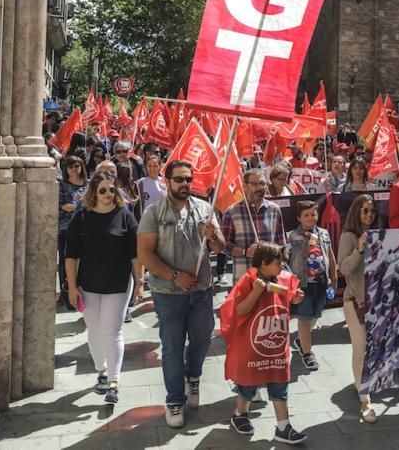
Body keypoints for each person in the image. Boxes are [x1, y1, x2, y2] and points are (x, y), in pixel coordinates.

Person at [137, 160, 226, 428]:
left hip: (201, 291)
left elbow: (220, 247)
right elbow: (144, 254)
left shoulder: (205, 209)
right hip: (168, 293)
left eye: (188, 179)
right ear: (167, 181)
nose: (185, 184)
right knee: (173, 348)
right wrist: (175, 276)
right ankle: (174, 399)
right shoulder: (153, 213)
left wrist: (213, 237)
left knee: (202, 338)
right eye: (179, 179)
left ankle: (193, 377)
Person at [64, 172, 142, 404]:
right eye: (103, 190)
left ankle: (113, 382)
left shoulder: (125, 216)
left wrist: (140, 282)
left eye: (112, 190)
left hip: (118, 283)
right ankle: (101, 370)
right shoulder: (82, 218)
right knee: (94, 329)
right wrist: (71, 287)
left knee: (113, 330)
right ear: (93, 193)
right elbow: (70, 255)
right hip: (88, 283)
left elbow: (135, 254)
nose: (108, 194)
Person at [223, 242, 308, 443]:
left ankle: (283, 426)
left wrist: (297, 297)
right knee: (247, 386)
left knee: (280, 383)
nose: (281, 265)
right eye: (278, 262)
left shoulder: (285, 279)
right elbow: (240, 310)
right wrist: (256, 292)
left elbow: (291, 295)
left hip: (276, 344)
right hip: (252, 347)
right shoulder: (248, 280)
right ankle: (240, 414)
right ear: (263, 263)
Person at [337, 195, 380, 423]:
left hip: (378, 302)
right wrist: (360, 250)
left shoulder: (379, 235)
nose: (369, 215)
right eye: (364, 211)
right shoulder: (349, 236)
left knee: (371, 350)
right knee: (360, 349)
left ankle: (361, 383)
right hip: (356, 301)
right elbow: (343, 267)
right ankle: (365, 399)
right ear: (357, 212)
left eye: (372, 211)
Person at [286, 200, 336, 372]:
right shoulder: (292, 236)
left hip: (321, 282)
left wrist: (334, 278)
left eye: (313, 214)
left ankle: (301, 339)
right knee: (305, 317)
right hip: (303, 284)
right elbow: (286, 260)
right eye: (306, 215)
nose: (310, 218)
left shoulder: (323, 233)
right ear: (299, 218)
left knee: (316, 314)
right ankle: (307, 353)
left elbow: (330, 255)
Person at [222, 168, 286, 282]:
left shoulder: (275, 210)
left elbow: (281, 244)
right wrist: (245, 251)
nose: (259, 188)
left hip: (271, 279)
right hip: (244, 279)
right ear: (245, 186)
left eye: (262, 183)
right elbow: (224, 245)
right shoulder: (232, 212)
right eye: (254, 184)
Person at [58, 155, 87, 310]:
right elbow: (62, 205)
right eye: (70, 167)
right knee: (66, 261)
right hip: (66, 228)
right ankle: (68, 294)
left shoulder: (89, 184)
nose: (74, 169)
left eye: (77, 166)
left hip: (86, 228)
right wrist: (75, 205)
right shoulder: (62, 185)